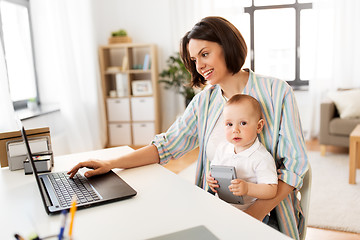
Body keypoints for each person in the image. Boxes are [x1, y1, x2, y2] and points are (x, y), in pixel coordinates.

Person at [68, 16, 309, 240]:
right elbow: (166, 146)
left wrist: (249, 218)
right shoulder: (204, 102)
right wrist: (111, 164)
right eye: (194, 60)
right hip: (216, 210)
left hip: (266, 218)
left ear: (227, 45)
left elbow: (294, 167)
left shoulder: (277, 92)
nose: (200, 66)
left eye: (205, 54)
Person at [207, 94, 278, 215]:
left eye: (243, 123)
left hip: (247, 212)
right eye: (229, 124)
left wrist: (248, 188)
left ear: (259, 126)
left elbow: (271, 190)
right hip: (221, 207)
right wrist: (211, 179)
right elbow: (215, 170)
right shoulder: (222, 148)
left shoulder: (261, 157)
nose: (235, 130)